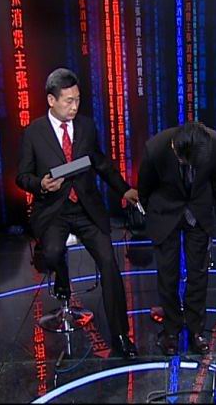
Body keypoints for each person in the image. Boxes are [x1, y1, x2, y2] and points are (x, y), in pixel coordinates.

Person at [16, 68, 138, 359]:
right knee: (52, 253)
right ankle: (62, 278)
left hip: (86, 209)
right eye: (68, 101)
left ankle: (121, 335)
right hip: (54, 210)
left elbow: (100, 163)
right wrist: (40, 184)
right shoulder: (34, 132)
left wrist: (124, 190)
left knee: (109, 263)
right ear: (51, 100)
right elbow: (22, 176)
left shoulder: (86, 126)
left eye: (78, 100)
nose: (74, 106)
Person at [138, 122, 216, 355]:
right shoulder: (156, 148)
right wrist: (155, 215)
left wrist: (208, 208)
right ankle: (171, 331)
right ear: (174, 147)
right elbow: (144, 188)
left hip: (198, 211)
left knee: (198, 274)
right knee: (168, 274)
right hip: (165, 212)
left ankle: (196, 331)